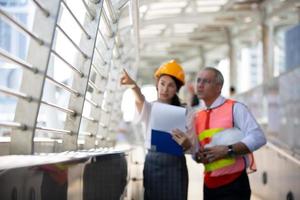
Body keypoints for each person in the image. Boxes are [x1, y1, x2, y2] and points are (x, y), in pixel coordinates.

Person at [179, 67, 267, 200]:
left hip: (234, 185)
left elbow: (259, 137)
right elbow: (196, 151)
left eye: (206, 81)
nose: (200, 85)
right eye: (198, 80)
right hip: (209, 185)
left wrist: (228, 150)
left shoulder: (235, 108)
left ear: (218, 87)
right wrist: (197, 156)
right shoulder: (197, 116)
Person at [120, 60, 194, 200]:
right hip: (153, 163)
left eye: (171, 85)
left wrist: (186, 143)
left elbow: (191, 145)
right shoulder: (150, 108)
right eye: (162, 83)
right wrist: (133, 86)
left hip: (176, 164)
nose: (165, 89)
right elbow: (140, 100)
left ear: (177, 88)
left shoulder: (186, 111)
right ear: (157, 84)